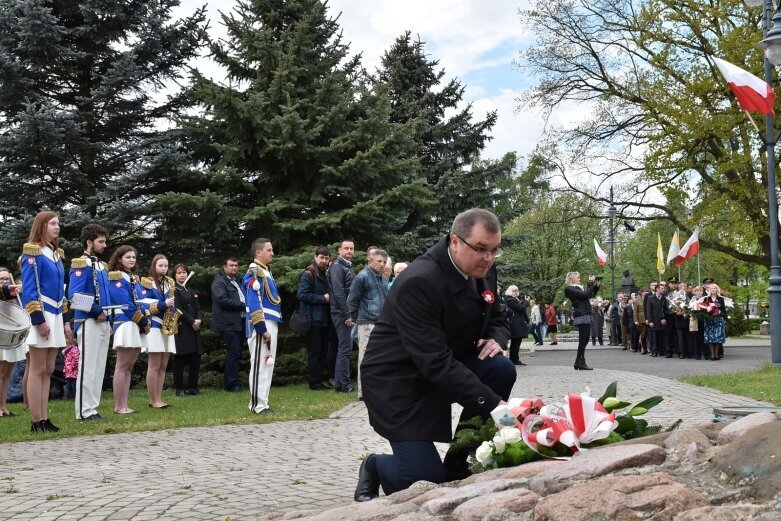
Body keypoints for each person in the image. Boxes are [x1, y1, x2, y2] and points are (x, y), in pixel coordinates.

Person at [356, 208, 516, 500]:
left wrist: (496, 337)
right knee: (423, 482)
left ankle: (459, 462)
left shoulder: (483, 269)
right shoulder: (421, 281)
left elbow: (497, 316)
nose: (488, 259)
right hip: (400, 382)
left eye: (494, 251)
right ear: (455, 241)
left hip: (443, 364)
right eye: (480, 249)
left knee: (501, 369)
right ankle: (376, 465)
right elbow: (435, 361)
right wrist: (495, 407)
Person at [21, 211, 72, 433]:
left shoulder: (55, 254)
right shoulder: (32, 252)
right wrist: (39, 320)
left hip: (56, 314)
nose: (57, 227)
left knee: (49, 368)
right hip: (41, 313)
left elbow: (61, 290)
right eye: (53, 223)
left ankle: (44, 417)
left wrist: (66, 320)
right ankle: (36, 420)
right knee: (37, 368)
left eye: (58, 223)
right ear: (42, 225)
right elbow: (30, 290)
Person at [68, 223, 112, 421]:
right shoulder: (80, 263)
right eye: (100, 241)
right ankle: (83, 411)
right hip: (88, 320)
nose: (104, 245)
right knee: (88, 367)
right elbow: (74, 296)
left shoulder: (101, 266)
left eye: (105, 241)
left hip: (104, 321)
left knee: (99, 366)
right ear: (89, 242)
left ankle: (93, 408)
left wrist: (109, 316)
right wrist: (96, 311)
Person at [107, 245, 150, 414]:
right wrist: (143, 321)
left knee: (129, 366)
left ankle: (125, 404)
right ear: (119, 259)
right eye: (128, 257)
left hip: (135, 323)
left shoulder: (132, 277)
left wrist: (145, 318)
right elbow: (125, 303)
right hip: (125, 322)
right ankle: (119, 406)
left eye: (133, 257)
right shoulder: (116, 277)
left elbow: (139, 300)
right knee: (122, 365)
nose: (132, 259)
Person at [243, 238, 282, 414]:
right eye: (269, 250)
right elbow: (253, 302)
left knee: (267, 364)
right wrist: (261, 328)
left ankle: (263, 402)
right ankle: (257, 405)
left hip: (271, 320)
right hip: (262, 323)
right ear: (258, 252)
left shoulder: (265, 272)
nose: (272, 253)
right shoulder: (255, 272)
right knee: (260, 363)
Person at [347, 249, 390, 398]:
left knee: (381, 358)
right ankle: (363, 392)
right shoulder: (362, 277)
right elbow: (352, 300)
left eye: (384, 262)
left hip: (381, 323)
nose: (382, 264)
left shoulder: (383, 279)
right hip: (366, 323)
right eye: (379, 261)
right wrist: (355, 318)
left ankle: (378, 390)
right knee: (365, 358)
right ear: (370, 260)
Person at [139, 255, 177, 409]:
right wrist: (163, 304)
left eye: (166, 266)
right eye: (160, 265)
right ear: (154, 266)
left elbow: (171, 304)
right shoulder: (147, 282)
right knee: (154, 365)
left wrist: (172, 311)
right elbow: (144, 307)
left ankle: (159, 398)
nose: (163, 269)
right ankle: (152, 400)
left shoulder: (169, 283)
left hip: (167, 327)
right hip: (154, 326)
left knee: (163, 365)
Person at [296, 246, 332, 390]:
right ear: (315, 257)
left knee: (323, 351)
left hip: (324, 319)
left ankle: (319, 380)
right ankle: (314, 382)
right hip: (313, 319)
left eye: (326, 258)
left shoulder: (323, 273)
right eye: (321, 258)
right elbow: (301, 295)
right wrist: (322, 299)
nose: (324, 260)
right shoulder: (309, 273)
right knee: (315, 352)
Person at [211, 258, 246, 392]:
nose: (234, 268)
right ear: (224, 266)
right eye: (231, 265)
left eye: (236, 265)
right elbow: (222, 300)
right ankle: (231, 384)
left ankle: (234, 382)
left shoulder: (235, 281)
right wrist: (244, 306)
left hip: (239, 321)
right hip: (228, 323)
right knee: (234, 352)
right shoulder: (219, 281)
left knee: (236, 352)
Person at [328, 239, 356, 393]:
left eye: (351, 248)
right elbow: (338, 293)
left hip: (343, 311)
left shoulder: (346, 266)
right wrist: (347, 314)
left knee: (345, 347)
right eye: (346, 248)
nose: (349, 251)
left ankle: (341, 383)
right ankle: (343, 385)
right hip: (341, 313)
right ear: (339, 250)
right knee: (345, 347)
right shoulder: (338, 266)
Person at [172, 264, 203, 397]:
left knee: (195, 358)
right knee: (180, 359)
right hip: (183, 328)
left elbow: (198, 308)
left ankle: (193, 387)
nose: (182, 275)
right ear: (174, 275)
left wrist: (199, 320)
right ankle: (179, 389)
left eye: (184, 272)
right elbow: (178, 309)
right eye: (179, 273)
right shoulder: (174, 290)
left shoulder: (189, 290)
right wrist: (191, 321)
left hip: (195, 329)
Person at [564, 272, 600, 370]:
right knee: (583, 339)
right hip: (581, 314)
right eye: (578, 277)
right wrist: (590, 282)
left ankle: (579, 361)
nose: (580, 279)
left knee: (584, 339)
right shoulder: (570, 289)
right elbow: (586, 294)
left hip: (585, 313)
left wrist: (596, 285)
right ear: (572, 279)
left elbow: (590, 294)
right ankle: (580, 361)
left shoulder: (578, 288)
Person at [0, 267, 23, 417]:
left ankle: (3, 406)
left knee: (8, 372)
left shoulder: (14, 297)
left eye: (6, 279)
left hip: (12, 333)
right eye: (1, 279)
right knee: (1, 372)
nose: (4, 281)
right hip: (2, 333)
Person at [503, 285, 529, 366]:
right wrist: (526, 302)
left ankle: (514, 359)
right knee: (515, 343)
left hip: (517, 324)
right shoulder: (510, 300)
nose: (516, 292)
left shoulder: (514, 300)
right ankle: (514, 359)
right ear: (510, 291)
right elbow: (521, 308)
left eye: (517, 290)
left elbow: (521, 310)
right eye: (514, 290)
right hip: (515, 325)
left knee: (516, 342)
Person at [703, 284, 727, 361]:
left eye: (715, 288)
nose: (713, 290)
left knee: (717, 338)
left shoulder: (720, 299)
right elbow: (703, 309)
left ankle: (716, 354)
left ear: (717, 290)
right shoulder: (706, 298)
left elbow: (723, 310)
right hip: (709, 320)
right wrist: (708, 311)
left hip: (718, 319)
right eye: (712, 288)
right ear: (709, 290)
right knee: (710, 337)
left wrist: (723, 317)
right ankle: (712, 354)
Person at [646, 281, 668, 357]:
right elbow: (649, 310)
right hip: (654, 320)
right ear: (657, 289)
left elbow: (665, 309)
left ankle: (662, 351)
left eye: (664, 288)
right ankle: (654, 351)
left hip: (662, 320)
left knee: (662, 336)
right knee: (654, 336)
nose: (663, 290)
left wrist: (664, 318)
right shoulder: (651, 298)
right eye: (662, 288)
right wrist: (650, 321)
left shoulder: (664, 298)